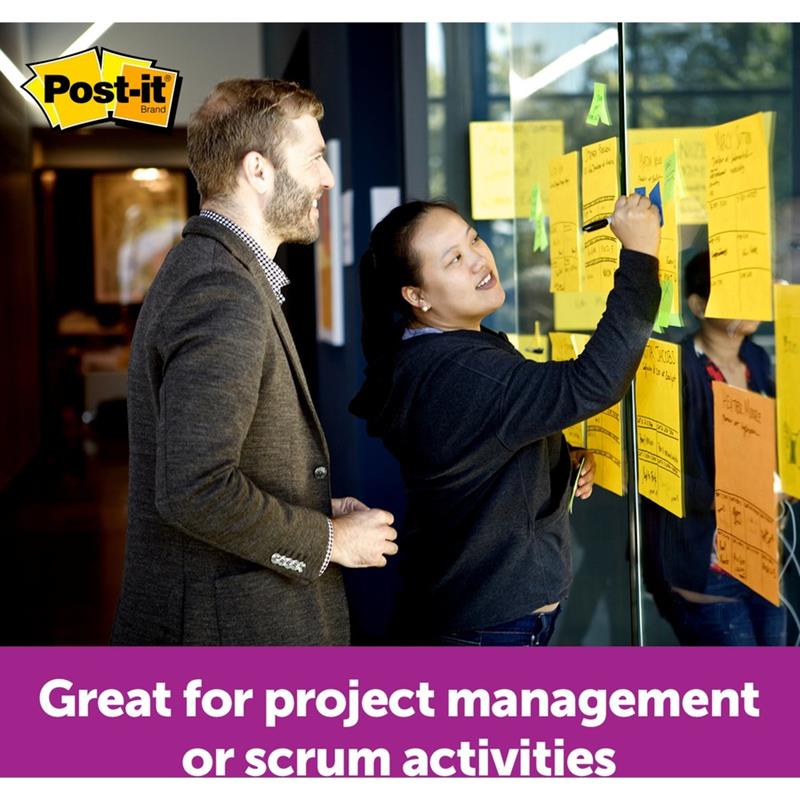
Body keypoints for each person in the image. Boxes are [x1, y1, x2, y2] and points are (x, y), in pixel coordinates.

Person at [112, 79, 397, 645]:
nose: (327, 178)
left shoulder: (213, 269)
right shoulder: (221, 288)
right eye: (314, 157)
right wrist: (331, 541)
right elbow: (195, 489)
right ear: (258, 170)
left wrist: (310, 509)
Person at [350, 195, 662, 645]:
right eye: (455, 259)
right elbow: (593, 382)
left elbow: (485, 451)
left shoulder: (430, 356)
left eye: (474, 239)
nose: (479, 259)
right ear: (417, 296)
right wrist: (640, 255)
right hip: (490, 628)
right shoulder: (461, 372)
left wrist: (557, 460)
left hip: (478, 613)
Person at [643, 251, 786, 645]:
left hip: (761, 556)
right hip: (704, 563)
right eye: (734, 289)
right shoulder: (677, 368)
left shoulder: (756, 360)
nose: (750, 299)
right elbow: (659, 473)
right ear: (698, 305)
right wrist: (728, 499)